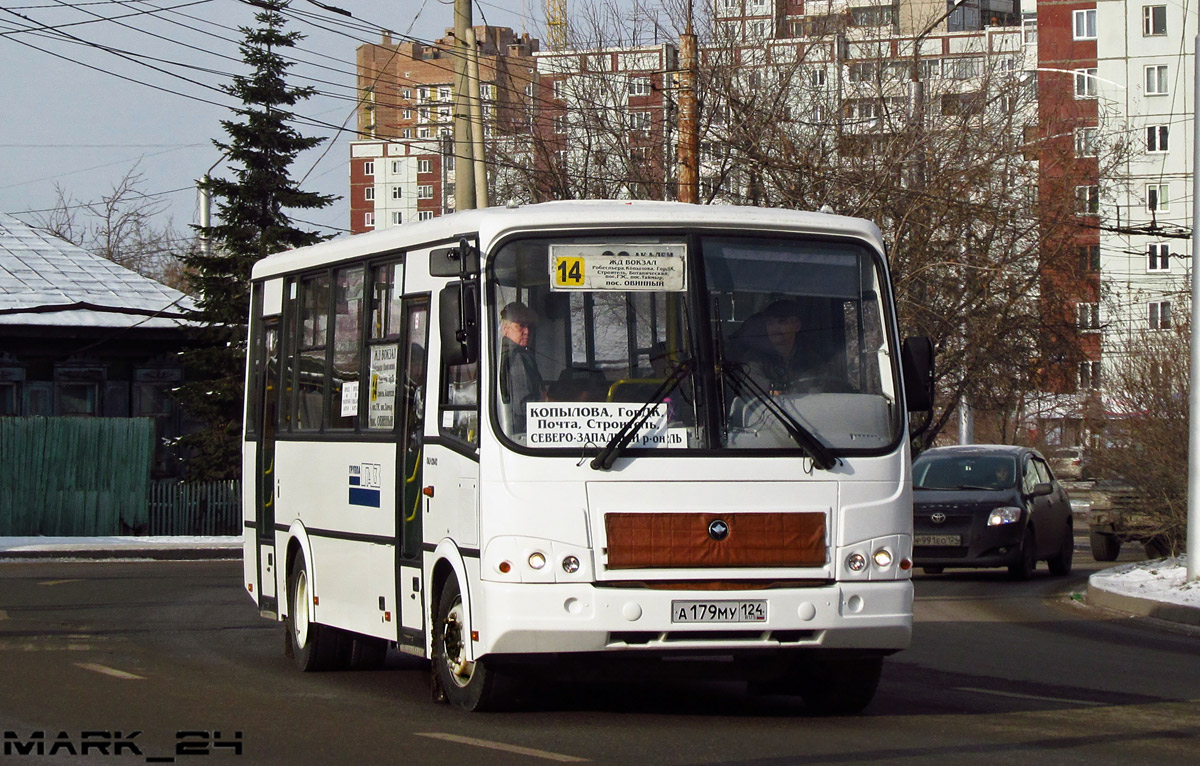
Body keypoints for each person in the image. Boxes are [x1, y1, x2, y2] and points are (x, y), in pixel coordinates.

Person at [735, 299, 836, 393]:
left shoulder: (812, 360)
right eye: (770, 323)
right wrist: (772, 388)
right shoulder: (754, 358)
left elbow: (822, 388)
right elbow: (750, 381)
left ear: (796, 326)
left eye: (781, 322)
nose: (774, 328)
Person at [498, 301, 544, 433]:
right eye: (521, 326)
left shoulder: (504, 352)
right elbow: (523, 405)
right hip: (520, 430)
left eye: (530, 326)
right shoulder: (516, 356)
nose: (527, 331)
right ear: (505, 329)